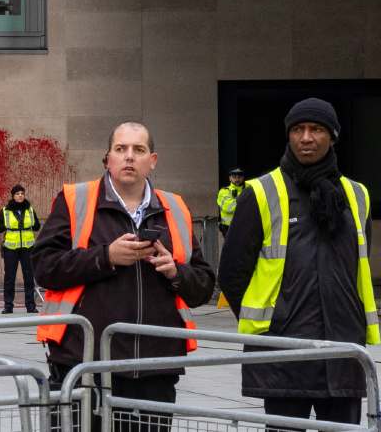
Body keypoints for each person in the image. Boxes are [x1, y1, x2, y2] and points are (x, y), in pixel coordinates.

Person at [33, 122, 214, 430]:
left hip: (155, 370)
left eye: (138, 150)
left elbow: (203, 286)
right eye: (121, 149)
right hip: (85, 365)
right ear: (108, 159)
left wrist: (175, 271)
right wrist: (106, 257)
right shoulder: (75, 200)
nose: (129, 157)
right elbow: (44, 267)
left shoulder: (174, 207)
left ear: (152, 160)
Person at [217, 99, 378, 425]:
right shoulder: (262, 192)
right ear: (288, 136)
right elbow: (232, 274)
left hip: (342, 351)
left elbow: (357, 266)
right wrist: (274, 320)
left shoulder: (357, 195)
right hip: (283, 353)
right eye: (298, 130)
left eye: (316, 129)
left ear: (332, 137)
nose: (306, 137)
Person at [0, 184, 39, 314]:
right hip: (11, 248)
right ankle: (8, 306)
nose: (20, 196)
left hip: (27, 247)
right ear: (13, 196)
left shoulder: (30, 209)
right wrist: (6, 226)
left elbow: (37, 226)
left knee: (29, 277)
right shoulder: (5, 210)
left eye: (22, 193)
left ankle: (30, 306)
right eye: (18, 193)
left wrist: (32, 224)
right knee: (9, 278)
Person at [217, 168, 244, 238]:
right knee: (231, 248)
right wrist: (244, 199)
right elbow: (229, 208)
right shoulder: (224, 191)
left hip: (244, 225)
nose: (237, 179)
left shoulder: (248, 189)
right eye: (234, 177)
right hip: (228, 228)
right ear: (230, 178)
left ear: (243, 178)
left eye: (239, 177)